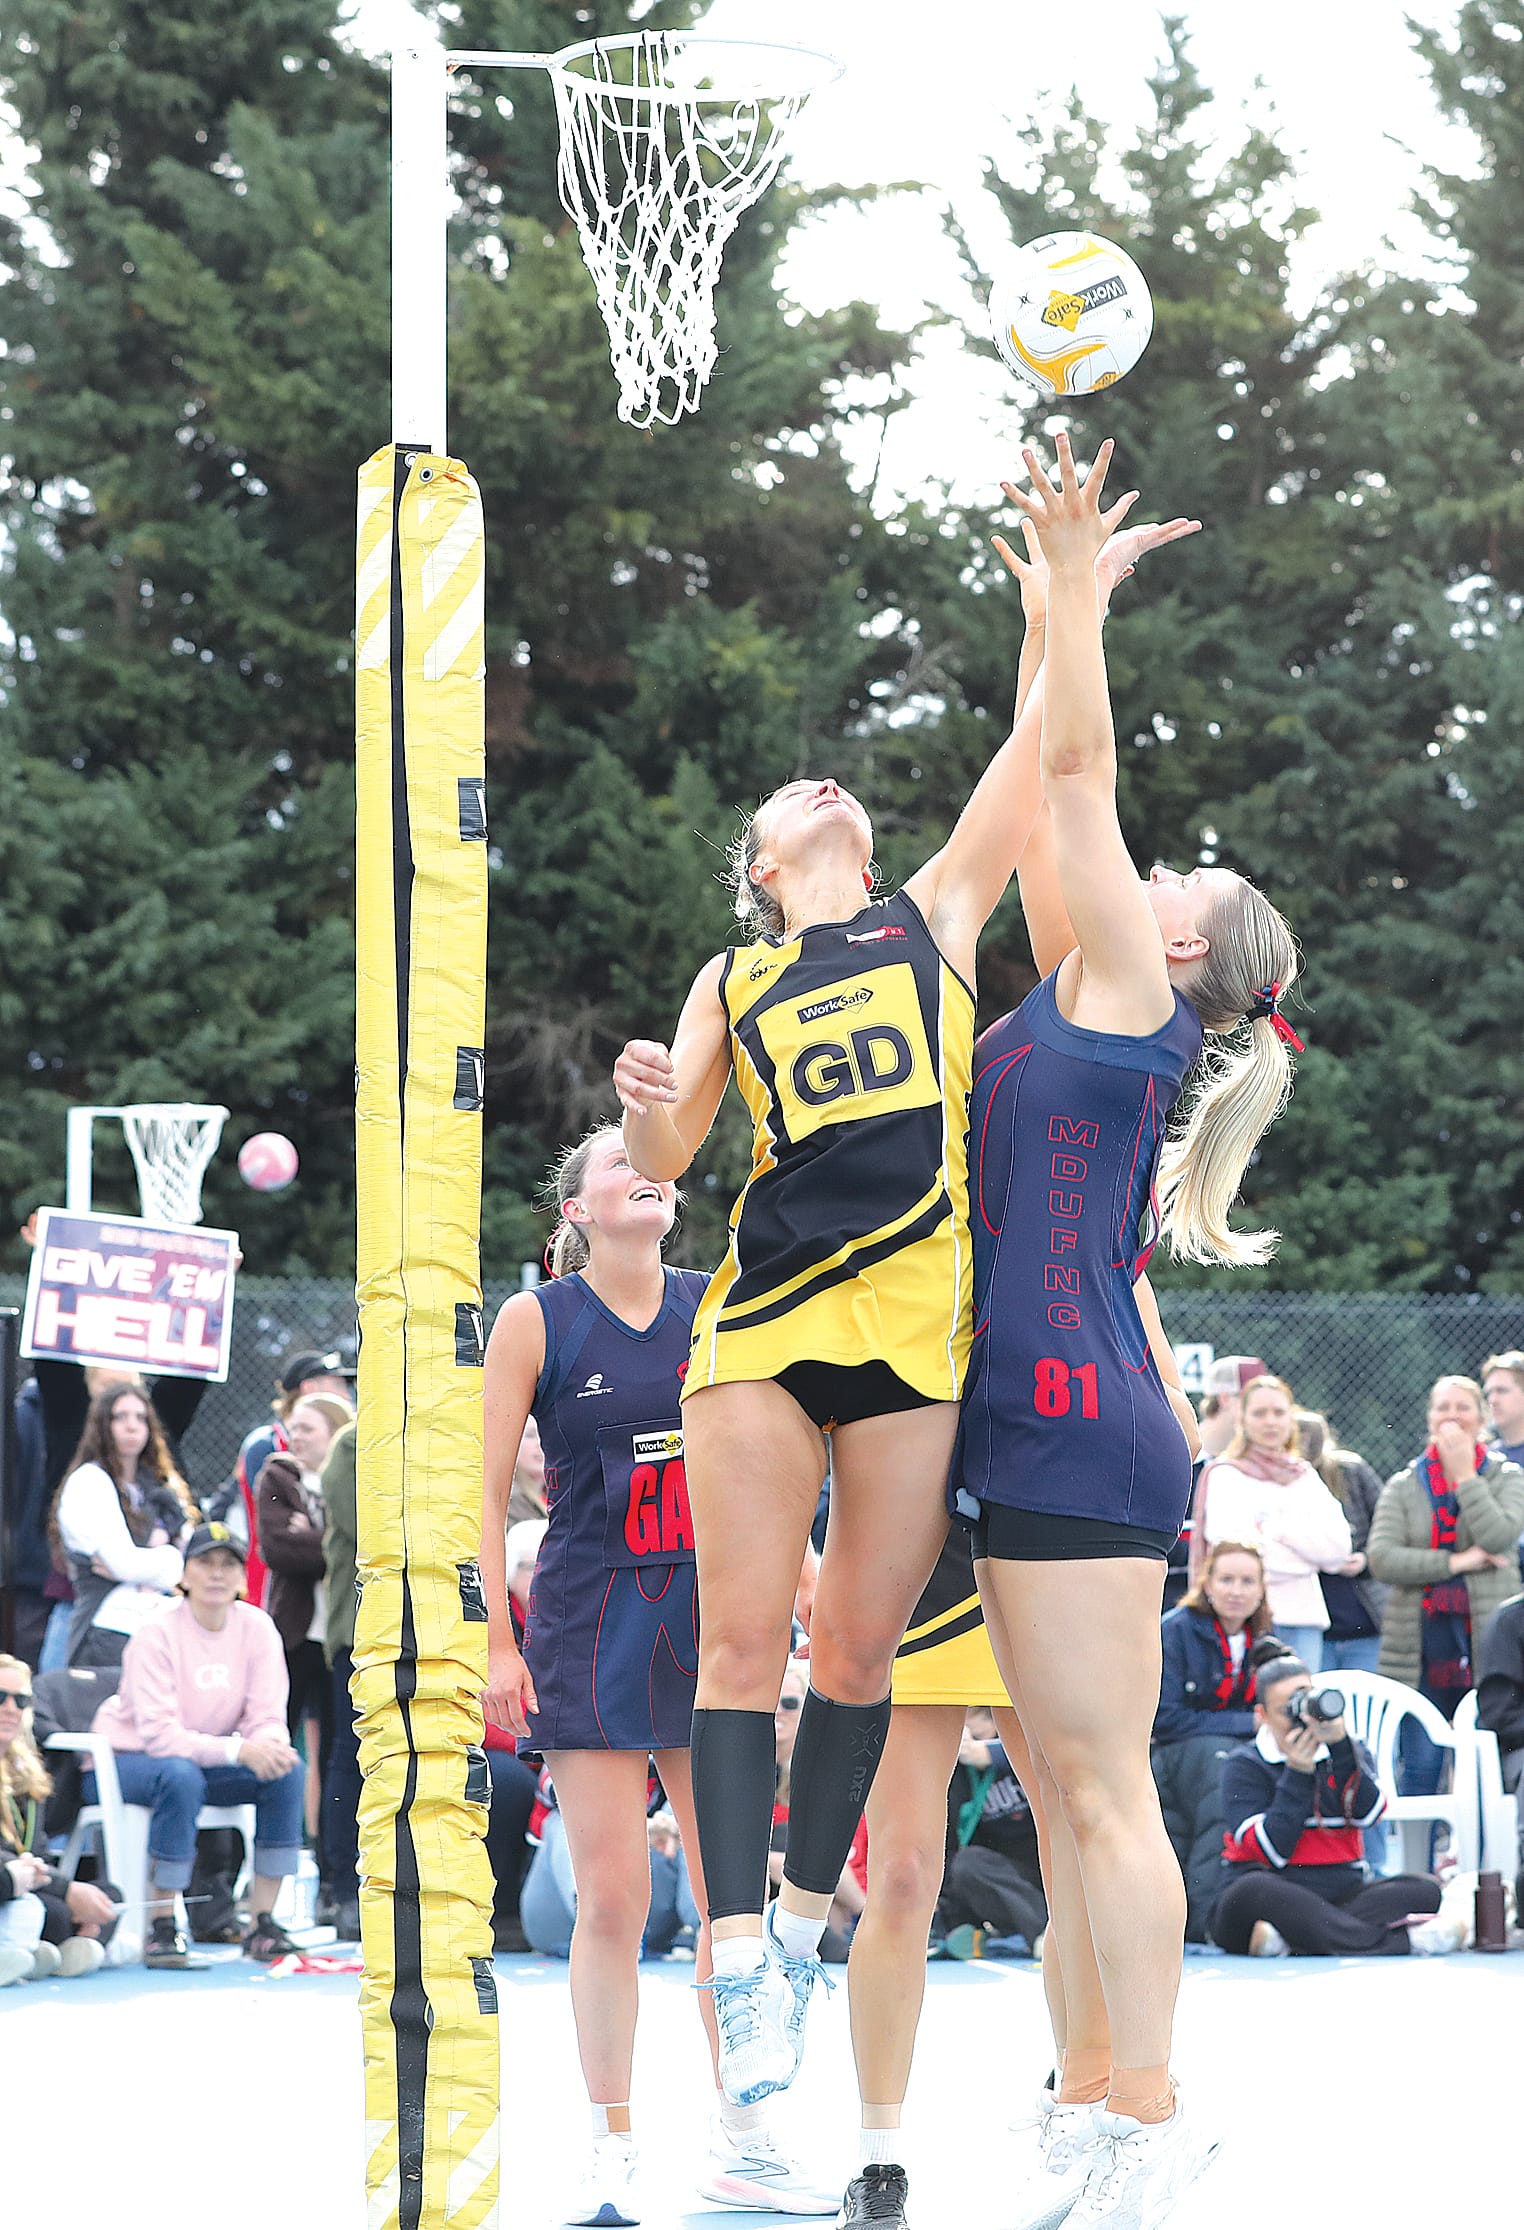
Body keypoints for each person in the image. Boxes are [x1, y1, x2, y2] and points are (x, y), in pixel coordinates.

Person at [609, 462, 1175, 2109]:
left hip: (911, 1340)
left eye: (825, 784)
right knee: (738, 1649)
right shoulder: (737, 970)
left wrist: (1059, 602)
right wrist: (649, 1094)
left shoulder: (932, 916)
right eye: (786, 798)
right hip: (769, 1322)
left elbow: (1042, 758)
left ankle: (794, 1924)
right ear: (763, 863)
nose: (815, 785)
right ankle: (733, 1958)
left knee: (853, 1656)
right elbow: (673, 1133)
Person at [961, 430, 1301, 2225]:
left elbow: (1083, 773)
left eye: (1187, 883)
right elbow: (1038, 794)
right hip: (1036, 1418)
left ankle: (1146, 2117)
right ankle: (1085, 2094)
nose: (1159, 869)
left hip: (1082, 1420)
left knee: (1100, 1794)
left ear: (1184, 953)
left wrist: (1081, 594)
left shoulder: (1121, 985)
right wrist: (1042, 617)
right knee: (1054, 1782)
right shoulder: (1088, 973)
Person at [480, 1128, 831, 2224]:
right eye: (618, 1162)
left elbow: (775, 1447)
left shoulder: (717, 1297)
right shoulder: (537, 1319)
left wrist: (810, 1565)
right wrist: (495, 1636)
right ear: (577, 1206)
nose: (649, 1170)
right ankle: (611, 2146)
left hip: (711, 1615)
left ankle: (748, 2138)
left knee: (735, 1899)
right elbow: (484, 1492)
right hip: (589, 1618)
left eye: (659, 1162)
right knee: (616, 1900)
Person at [90, 1522, 306, 1969]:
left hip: (204, 1758)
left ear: (242, 1577)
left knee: (287, 1769)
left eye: (228, 1564)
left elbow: (267, 1717)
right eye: (204, 1562)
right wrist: (237, 1751)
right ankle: (163, 1926)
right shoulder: (155, 1631)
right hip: (129, 1760)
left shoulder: (258, 1627)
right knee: (179, 1775)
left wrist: (266, 1746)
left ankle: (262, 1923)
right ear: (184, 1575)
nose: (216, 1574)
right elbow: (160, 1737)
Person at [1210, 1644, 1466, 1956]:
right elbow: (1273, 1852)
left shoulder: (1347, 1748)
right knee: (1253, 1890)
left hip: (1341, 1894)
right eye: (1286, 1710)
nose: (1301, 1716)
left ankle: (1293, 1941)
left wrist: (1341, 1749)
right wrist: (1297, 1773)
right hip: (1270, 1890)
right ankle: (1409, 1942)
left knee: (1423, 1889)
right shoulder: (1245, 1763)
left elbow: (1370, 1815)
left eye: (1304, 1700)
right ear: (1262, 1715)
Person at [1367, 1374, 1524, 1801]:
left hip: (1484, 1647)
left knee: (1484, 1770)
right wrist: (1458, 1562)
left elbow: (1498, 1535)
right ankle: (1419, 1867)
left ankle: (1484, 1865)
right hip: (1420, 1652)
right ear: (1430, 1416)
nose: (1452, 1416)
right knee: (1420, 1767)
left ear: (1481, 1417)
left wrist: (1466, 1478)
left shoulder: (1506, 1476)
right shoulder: (1404, 1484)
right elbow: (1382, 1557)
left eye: (1462, 1407)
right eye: (1442, 1407)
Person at [1152, 1542, 1271, 1941]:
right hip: (1175, 1752)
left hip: (1231, 1748)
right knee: (1224, 1774)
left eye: (1247, 1581)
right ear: (1207, 1584)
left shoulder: (1265, 1638)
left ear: (1261, 1590)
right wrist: (1246, 1723)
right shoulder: (1177, 1629)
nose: (1236, 1591)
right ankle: (1202, 1919)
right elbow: (1165, 1718)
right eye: (1227, 1580)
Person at [254, 1389, 355, 1857]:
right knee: (279, 1741)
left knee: (338, 1751)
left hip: (337, 1634)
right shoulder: (277, 1474)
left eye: (307, 1428)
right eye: (292, 1427)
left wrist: (311, 1536)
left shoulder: (352, 1475)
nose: (296, 1437)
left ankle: (329, 1874)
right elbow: (277, 1548)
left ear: (335, 1432)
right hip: (294, 1634)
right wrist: (334, 1544)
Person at [1194, 1376, 1353, 1669]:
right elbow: (1232, 1553)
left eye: (1279, 1412)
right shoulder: (1226, 1475)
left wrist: (1277, 1533)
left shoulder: (1305, 1477)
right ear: (1242, 1419)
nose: (1270, 1422)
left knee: (1299, 1712)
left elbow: (1338, 1550)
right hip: (1244, 1621)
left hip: (1303, 1622)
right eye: (1259, 1413)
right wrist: (1306, 1559)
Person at [52, 1380, 197, 1668]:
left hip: (164, 1632)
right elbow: (121, 1563)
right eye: (120, 1417)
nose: (132, 1426)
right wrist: (167, 1557)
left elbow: (193, 1566)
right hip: (107, 1632)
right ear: (102, 1424)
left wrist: (145, 1566)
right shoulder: (89, 1481)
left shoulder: (162, 1487)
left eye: (141, 1417)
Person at [0, 1653, 120, 1982]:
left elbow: (35, 1852)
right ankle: (41, 1948)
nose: (11, 1708)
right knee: (31, 1898)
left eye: (21, 1700)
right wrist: (64, 1888)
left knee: (106, 1897)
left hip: (24, 1884)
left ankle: (55, 1952)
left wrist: (64, 1887)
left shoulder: (26, 1771)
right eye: (0, 1697)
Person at [227, 1349, 353, 1609]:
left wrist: (314, 1533)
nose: (347, 1394)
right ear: (310, 1388)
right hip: (274, 1587)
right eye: (338, 1385)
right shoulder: (266, 1445)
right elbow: (278, 1535)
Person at [1294, 1409, 1387, 1674]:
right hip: (1313, 1625)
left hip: (1363, 1619)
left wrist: (1366, 1559)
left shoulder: (1350, 1471)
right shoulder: (1279, 1480)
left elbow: (1387, 1525)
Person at [316, 1417, 361, 1937]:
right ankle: (340, 1889)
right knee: (351, 1757)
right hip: (361, 1630)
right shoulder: (352, 1441)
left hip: (431, 1630)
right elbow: (367, 1525)